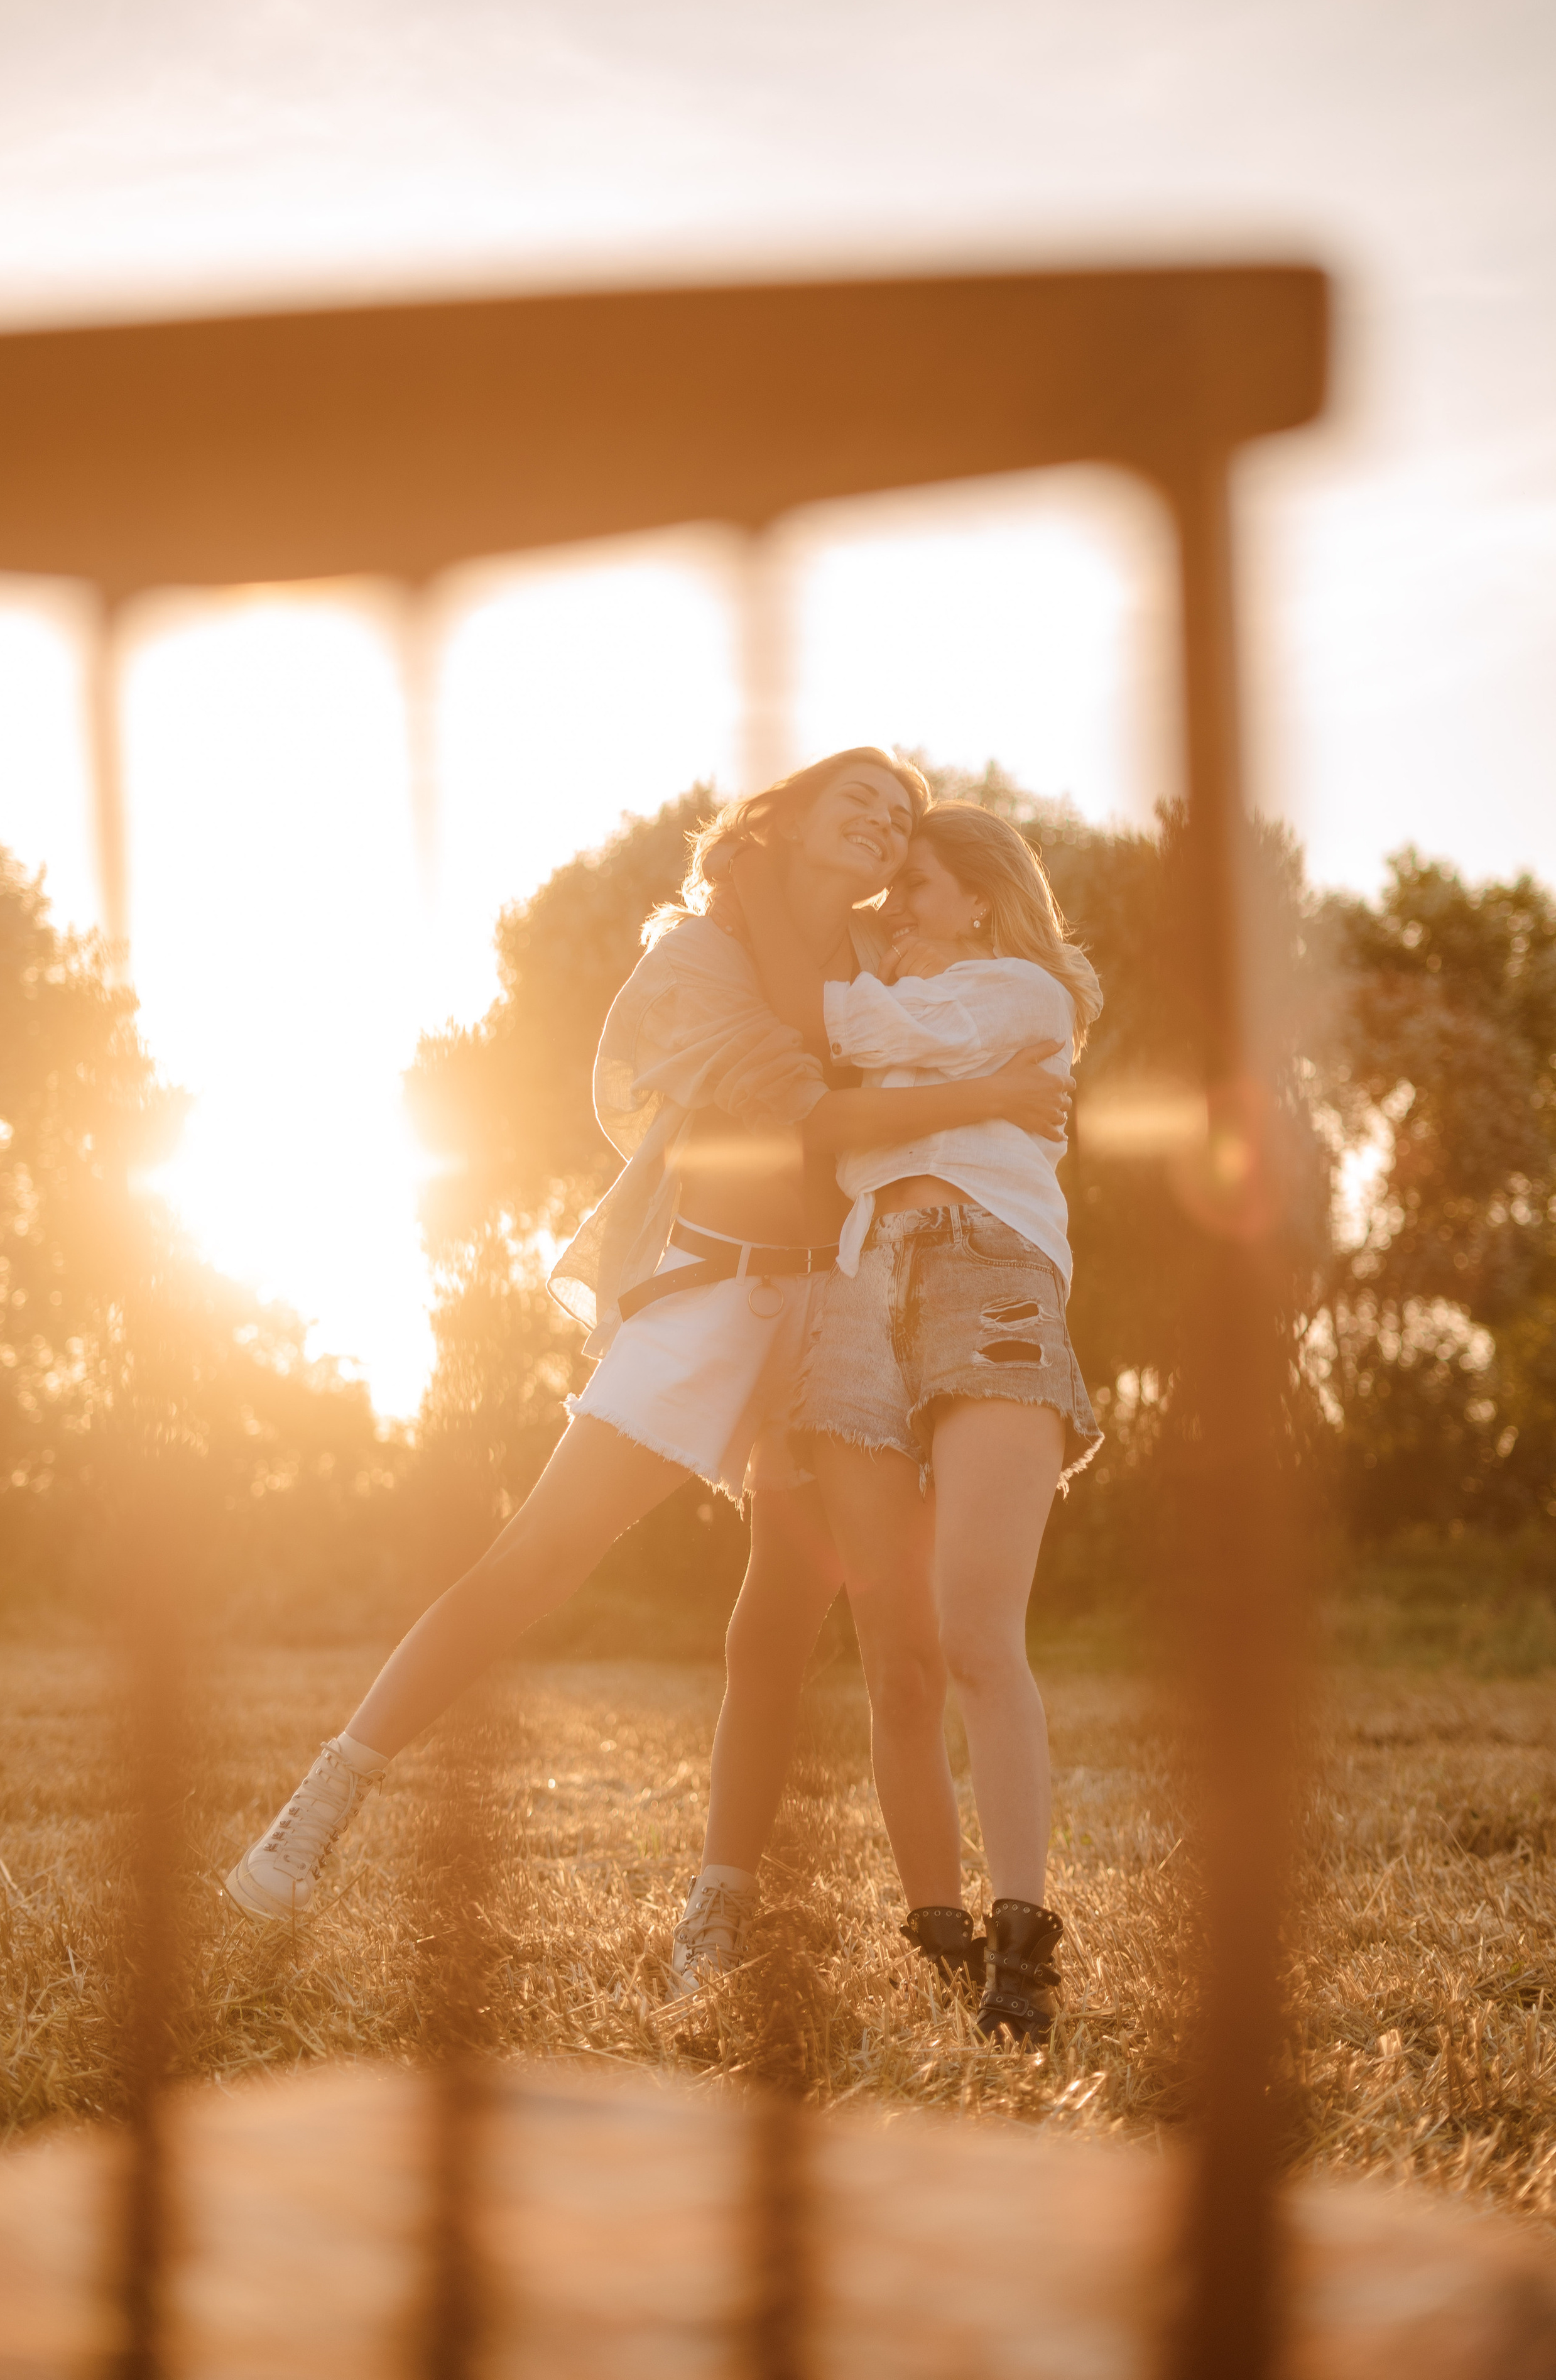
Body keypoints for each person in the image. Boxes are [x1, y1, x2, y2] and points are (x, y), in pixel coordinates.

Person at [221, 753, 1072, 1955]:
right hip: (714, 1295)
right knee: (539, 1555)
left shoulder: (884, 964)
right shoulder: (702, 958)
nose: (884, 825)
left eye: (900, 817)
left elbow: (962, 1028)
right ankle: (327, 1799)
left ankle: (721, 1906)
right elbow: (807, 1110)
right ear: (781, 822)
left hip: (840, 1309)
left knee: (780, 1623)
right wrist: (988, 1094)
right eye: (857, 803)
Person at [721, 800, 1102, 2041]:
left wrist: (750, 885)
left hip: (983, 1276)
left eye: (917, 887)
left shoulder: (1016, 995)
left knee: (976, 1628)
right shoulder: (904, 1005)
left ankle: (1022, 1945)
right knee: (896, 1659)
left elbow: (833, 1023)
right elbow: (815, 1110)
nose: (894, 909)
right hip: (856, 1289)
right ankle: (938, 1936)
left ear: (981, 896)